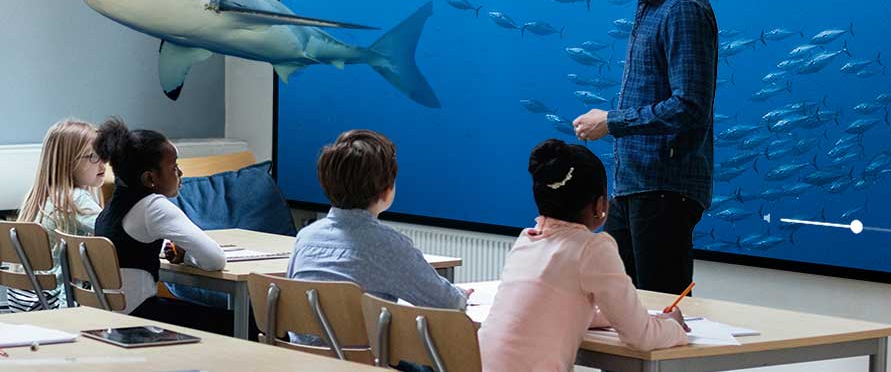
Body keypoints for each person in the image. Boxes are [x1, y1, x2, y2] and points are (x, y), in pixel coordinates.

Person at [572, 0, 716, 293]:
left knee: (658, 322)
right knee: (617, 316)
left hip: (665, 188)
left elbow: (689, 107)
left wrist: (611, 122)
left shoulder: (682, 8)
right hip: (634, 186)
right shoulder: (652, 4)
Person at [479, 140, 690, 371]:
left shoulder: (526, 240)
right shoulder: (591, 248)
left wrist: (617, 315)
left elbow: (559, 308)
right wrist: (673, 326)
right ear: (600, 205)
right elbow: (641, 337)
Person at [288, 130, 466, 310]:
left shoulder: (305, 237)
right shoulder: (388, 245)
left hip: (297, 339)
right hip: (362, 339)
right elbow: (448, 302)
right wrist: (461, 294)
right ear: (386, 189)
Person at [91, 118, 231, 333]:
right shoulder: (153, 207)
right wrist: (185, 257)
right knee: (244, 323)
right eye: (174, 167)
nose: (180, 174)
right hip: (141, 321)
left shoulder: (110, 209)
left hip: (109, 320)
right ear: (150, 179)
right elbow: (215, 259)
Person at [11, 117, 106, 310]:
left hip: (23, 301)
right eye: (93, 157)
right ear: (68, 162)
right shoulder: (74, 199)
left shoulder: (40, 195)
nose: (103, 164)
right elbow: (113, 231)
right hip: (53, 305)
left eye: (104, 155)